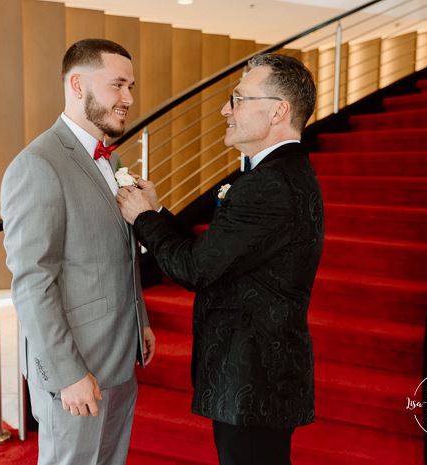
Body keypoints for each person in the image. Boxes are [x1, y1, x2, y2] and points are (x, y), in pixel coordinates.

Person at [115, 53, 323, 465]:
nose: (225, 109)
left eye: (239, 99)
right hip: (260, 375)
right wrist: (157, 213)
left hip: (253, 380)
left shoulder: (270, 184)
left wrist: (143, 219)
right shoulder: (281, 174)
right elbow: (220, 251)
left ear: (278, 111)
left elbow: (194, 268)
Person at [0, 38, 155, 465]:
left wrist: (139, 317)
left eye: (131, 87)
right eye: (117, 85)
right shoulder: (38, 165)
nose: (128, 99)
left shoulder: (114, 160)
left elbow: (122, 252)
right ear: (77, 84)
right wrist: (69, 374)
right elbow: (33, 283)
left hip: (119, 352)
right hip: (77, 364)